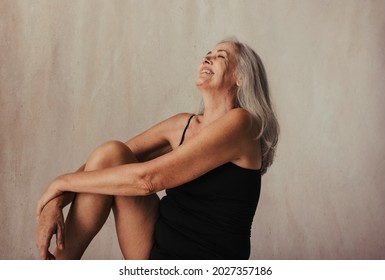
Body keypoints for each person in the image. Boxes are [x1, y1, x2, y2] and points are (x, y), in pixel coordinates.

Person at [35, 39, 279, 260]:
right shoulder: (182, 125)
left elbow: (148, 180)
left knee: (117, 164)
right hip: (154, 249)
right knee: (111, 153)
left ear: (241, 78)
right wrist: (55, 201)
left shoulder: (243, 123)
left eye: (221, 57)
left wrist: (59, 183)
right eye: (208, 53)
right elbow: (100, 165)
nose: (207, 58)